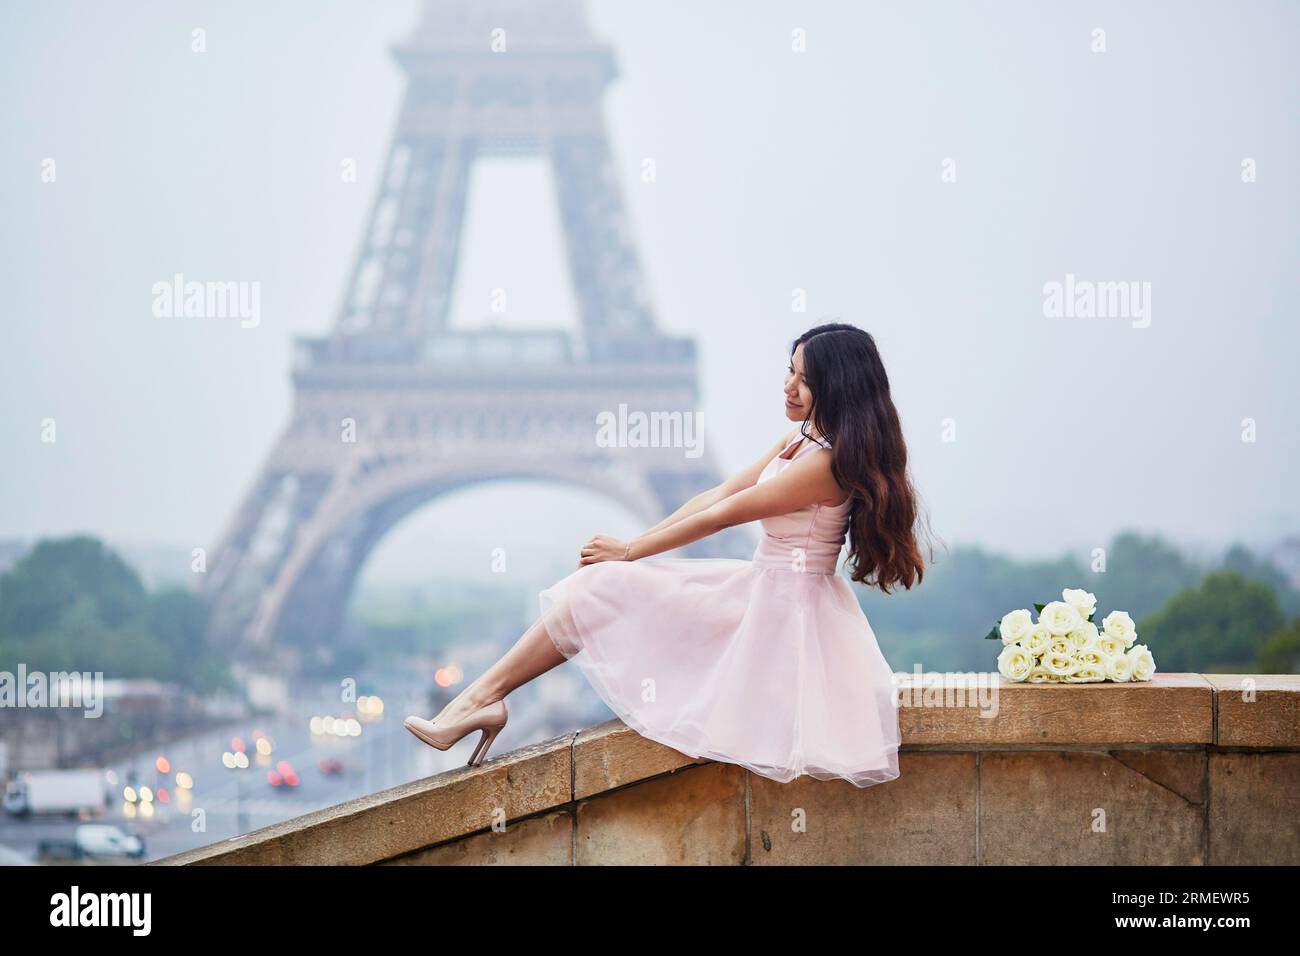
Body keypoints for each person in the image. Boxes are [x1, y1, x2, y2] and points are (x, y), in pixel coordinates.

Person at [405, 322, 931, 787]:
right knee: (594, 589)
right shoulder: (798, 443)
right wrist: (631, 550)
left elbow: (727, 516)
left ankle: (481, 701)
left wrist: (631, 550)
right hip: (759, 590)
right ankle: (481, 698)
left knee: (597, 590)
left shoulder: (827, 463)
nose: (789, 386)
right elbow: (713, 496)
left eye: (805, 379)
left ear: (836, 386)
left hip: (784, 609)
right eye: (789, 371)